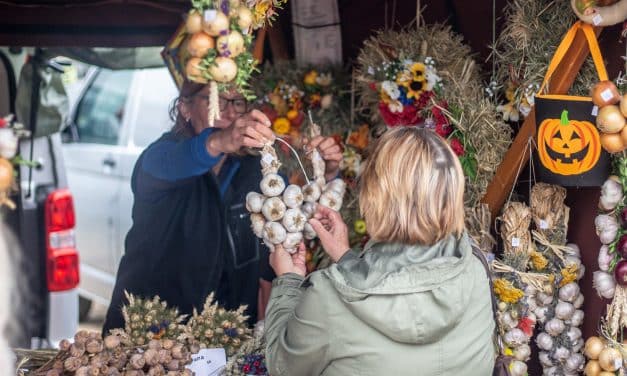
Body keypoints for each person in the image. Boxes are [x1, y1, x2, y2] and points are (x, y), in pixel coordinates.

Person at [103, 81, 342, 332]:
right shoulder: (160, 158)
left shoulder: (257, 170)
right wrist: (217, 142)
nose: (228, 112)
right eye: (215, 100)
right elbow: (183, 159)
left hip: (227, 332)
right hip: (151, 329)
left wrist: (324, 175)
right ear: (185, 107)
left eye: (238, 102)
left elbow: (294, 221)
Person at [265, 127, 496, 376]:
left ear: (373, 195)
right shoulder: (474, 268)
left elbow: (282, 368)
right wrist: (346, 257)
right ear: (452, 191)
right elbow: (411, 283)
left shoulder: (328, 298)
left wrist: (288, 282)